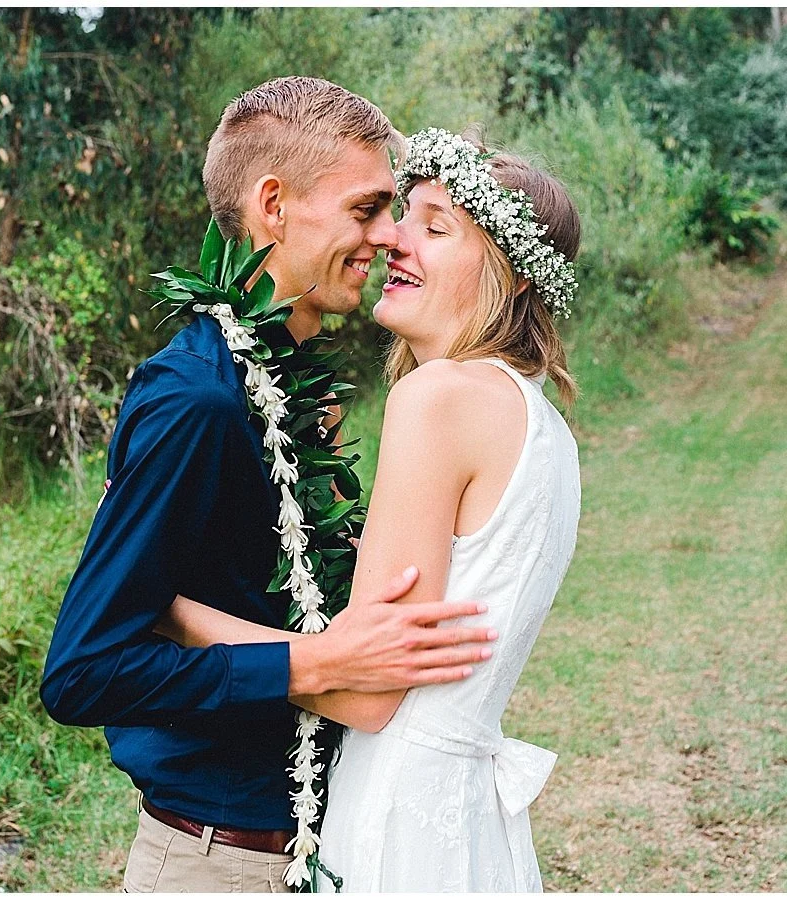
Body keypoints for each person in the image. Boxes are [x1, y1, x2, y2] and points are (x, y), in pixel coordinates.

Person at [40, 81, 496, 895]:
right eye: (368, 210)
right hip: (220, 861)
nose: (390, 237)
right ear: (274, 206)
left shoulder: (297, 389)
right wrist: (308, 664)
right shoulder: (197, 400)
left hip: (331, 844)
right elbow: (84, 669)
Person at [157, 128, 583, 891]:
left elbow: (363, 690)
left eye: (434, 226)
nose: (394, 242)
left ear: (514, 276)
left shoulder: (440, 398)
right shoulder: (539, 420)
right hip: (465, 817)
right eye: (399, 216)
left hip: (399, 810)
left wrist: (172, 607)